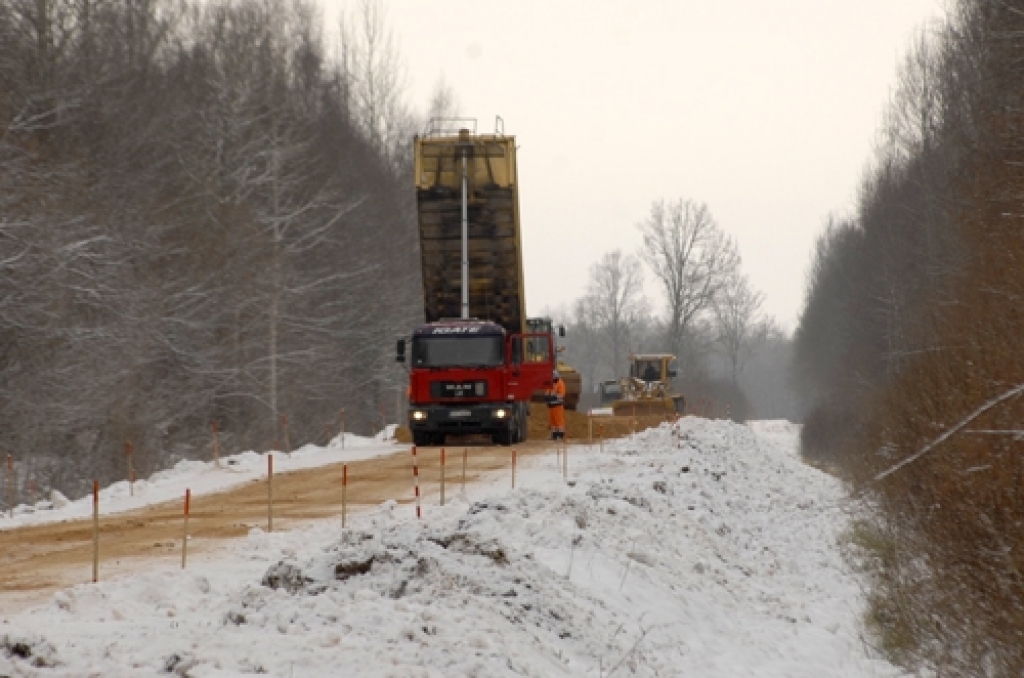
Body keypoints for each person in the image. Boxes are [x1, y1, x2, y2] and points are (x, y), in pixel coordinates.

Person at [547, 370, 566, 441]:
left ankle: (560, 436)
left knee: (559, 421)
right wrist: (548, 397)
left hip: (558, 405)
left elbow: (561, 394)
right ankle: (554, 435)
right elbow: (548, 392)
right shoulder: (552, 383)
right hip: (552, 405)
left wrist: (554, 396)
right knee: (552, 421)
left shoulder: (560, 383)